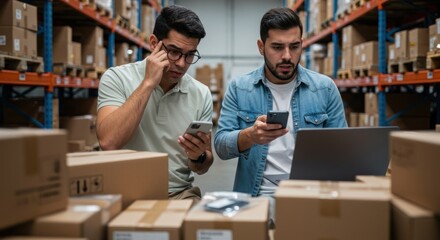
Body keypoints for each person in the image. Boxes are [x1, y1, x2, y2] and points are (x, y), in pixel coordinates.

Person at [214, 8, 347, 199]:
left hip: (309, 194)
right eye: (277, 47)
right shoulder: (240, 88)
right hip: (256, 195)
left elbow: (342, 150)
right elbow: (220, 146)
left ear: (302, 44)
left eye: (294, 46)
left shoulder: (325, 88)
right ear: (261, 46)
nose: (287, 56)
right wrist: (249, 136)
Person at [96, 5, 214, 200]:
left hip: (179, 194)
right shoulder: (116, 78)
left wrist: (198, 156)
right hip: (125, 194)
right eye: (174, 52)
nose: (182, 64)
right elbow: (108, 142)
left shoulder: (201, 94)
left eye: (190, 55)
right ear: (153, 43)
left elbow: (203, 166)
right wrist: (148, 83)